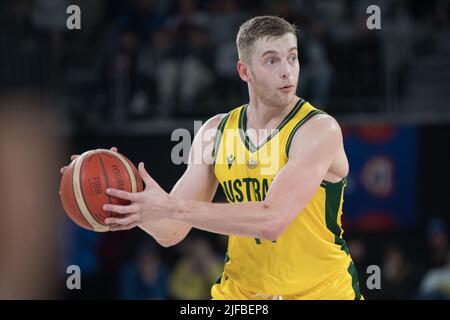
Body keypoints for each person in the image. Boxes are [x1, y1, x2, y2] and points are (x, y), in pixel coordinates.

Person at [61, 16, 361, 300]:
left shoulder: (318, 129)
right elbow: (172, 230)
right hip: (243, 295)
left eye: (292, 57)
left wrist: (172, 207)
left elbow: (272, 220)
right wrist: (132, 204)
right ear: (245, 72)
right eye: (272, 60)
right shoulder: (215, 131)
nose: (287, 70)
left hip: (321, 291)